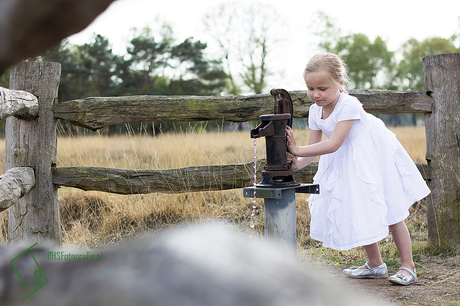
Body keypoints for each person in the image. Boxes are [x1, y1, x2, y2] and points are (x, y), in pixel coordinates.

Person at [285, 53, 430, 286]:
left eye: (322, 88)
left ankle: (408, 266)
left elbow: (333, 144)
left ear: (340, 84)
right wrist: (293, 161)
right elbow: (312, 150)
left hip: (371, 156)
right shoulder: (315, 110)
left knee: (389, 206)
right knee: (357, 204)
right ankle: (375, 264)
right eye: (310, 88)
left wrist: (297, 148)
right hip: (345, 159)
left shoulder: (348, 105)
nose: (315, 94)